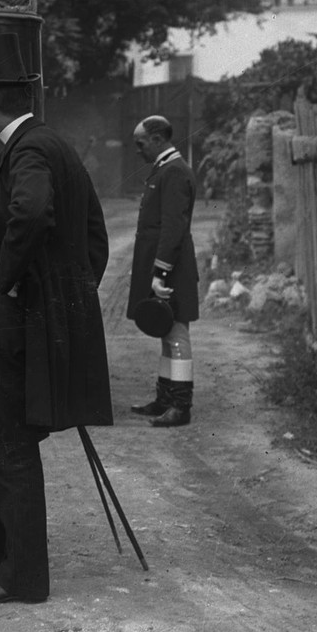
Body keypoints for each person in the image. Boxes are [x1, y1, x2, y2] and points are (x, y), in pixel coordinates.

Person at [0, 33, 111, 605]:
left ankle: (22, 577)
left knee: (5, 443)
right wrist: (65, 296)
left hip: (9, 322)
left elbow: (33, 212)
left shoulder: (27, 152)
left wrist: (10, 287)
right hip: (30, 319)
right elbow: (95, 239)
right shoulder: (54, 145)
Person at [127, 115, 199, 427]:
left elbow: (173, 227)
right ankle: (165, 398)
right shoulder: (165, 169)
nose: (138, 150)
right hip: (164, 266)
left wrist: (161, 273)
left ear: (158, 139)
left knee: (177, 333)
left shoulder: (174, 172)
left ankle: (180, 407)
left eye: (140, 143)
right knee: (165, 332)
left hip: (173, 267)